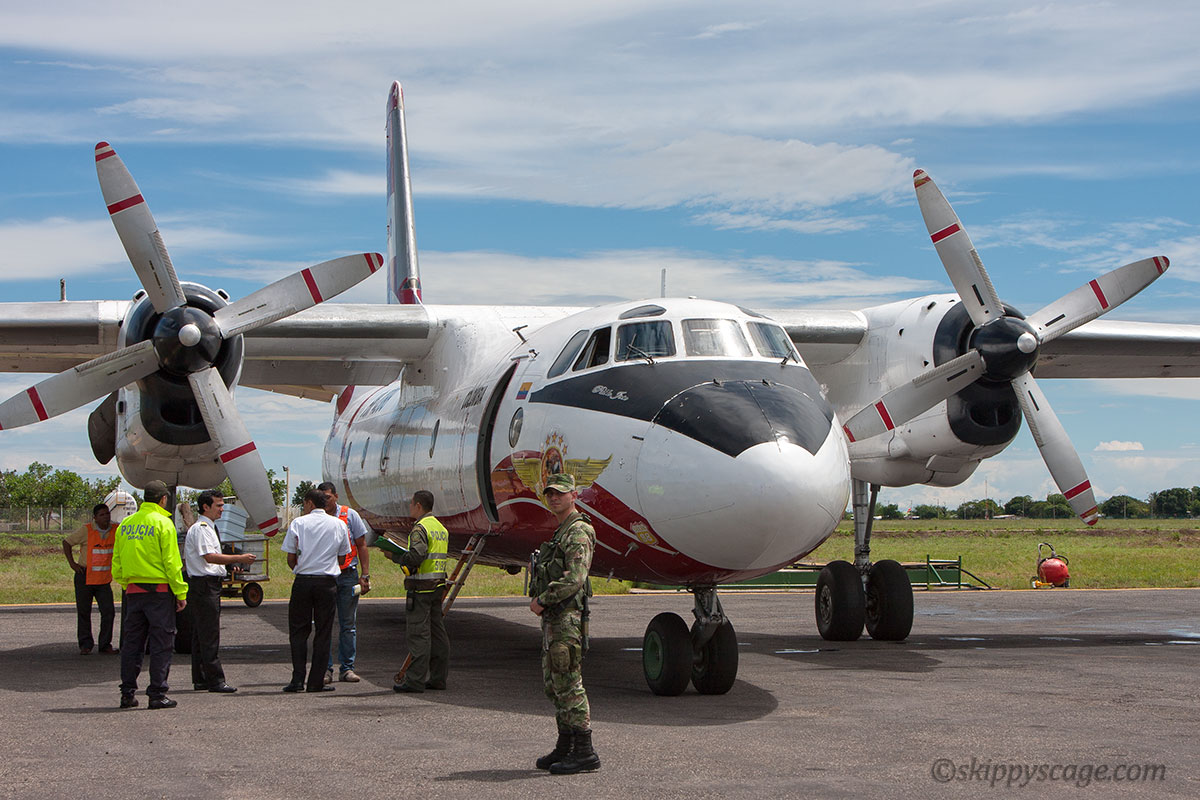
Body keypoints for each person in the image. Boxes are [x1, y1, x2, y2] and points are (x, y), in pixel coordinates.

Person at [528, 473, 600, 775]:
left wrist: (543, 599)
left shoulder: (579, 531)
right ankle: (565, 744)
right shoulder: (562, 531)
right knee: (554, 683)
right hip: (554, 618)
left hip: (566, 617)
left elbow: (575, 579)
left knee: (569, 682)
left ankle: (584, 751)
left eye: (560, 493)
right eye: (550, 494)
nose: (554, 498)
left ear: (574, 495)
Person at [111, 480, 188, 710]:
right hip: (159, 593)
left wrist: (126, 582)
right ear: (163, 499)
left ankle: (127, 694)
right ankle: (157, 693)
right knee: (161, 644)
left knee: (132, 645)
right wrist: (180, 592)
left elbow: (117, 560)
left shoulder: (126, 524)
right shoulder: (163, 523)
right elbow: (172, 562)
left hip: (133, 592)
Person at [184, 491, 256, 693]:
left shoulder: (209, 527)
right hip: (205, 585)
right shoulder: (202, 528)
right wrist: (239, 558)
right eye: (218, 505)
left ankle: (201, 678)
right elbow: (210, 557)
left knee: (201, 634)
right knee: (209, 635)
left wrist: (230, 565)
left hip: (206, 584)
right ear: (205, 507)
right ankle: (215, 680)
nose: (222, 509)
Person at [280, 488, 351, 693]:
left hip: (303, 581)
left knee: (298, 632)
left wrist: (302, 567)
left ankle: (297, 679)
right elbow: (343, 556)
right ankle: (316, 681)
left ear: (310, 503)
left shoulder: (299, 523)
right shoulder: (338, 524)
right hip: (326, 582)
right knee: (323, 632)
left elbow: (291, 557)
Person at [392, 490, 449, 694]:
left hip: (421, 588)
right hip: (437, 586)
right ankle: (438, 678)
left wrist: (395, 556)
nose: (409, 508)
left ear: (418, 505)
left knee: (419, 635)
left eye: (411, 504)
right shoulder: (440, 528)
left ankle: (415, 681)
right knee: (437, 633)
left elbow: (416, 556)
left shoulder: (420, 528)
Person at [317, 481, 371, 685]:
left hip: (348, 574)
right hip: (325, 575)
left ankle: (347, 668)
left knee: (348, 624)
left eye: (328, 497)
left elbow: (362, 544)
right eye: (321, 498)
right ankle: (326, 668)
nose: (325, 501)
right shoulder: (316, 518)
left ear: (336, 496)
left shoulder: (350, 515)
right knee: (325, 623)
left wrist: (365, 575)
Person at [62, 504, 117, 655]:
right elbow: (67, 542)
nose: (106, 517)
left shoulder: (116, 530)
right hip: (84, 576)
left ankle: (105, 644)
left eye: (107, 514)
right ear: (95, 518)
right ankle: (85, 644)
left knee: (108, 612)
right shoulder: (86, 530)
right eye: (102, 515)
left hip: (103, 580)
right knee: (84, 612)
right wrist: (72, 564)